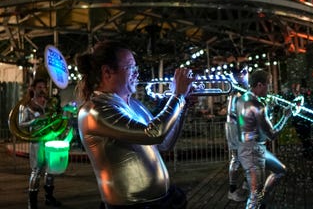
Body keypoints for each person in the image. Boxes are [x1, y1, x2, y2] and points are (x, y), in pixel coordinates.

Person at [75, 40, 194, 209]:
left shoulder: (134, 104)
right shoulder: (95, 111)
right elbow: (154, 133)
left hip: (162, 200)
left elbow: (164, 143)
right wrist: (178, 96)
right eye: (130, 67)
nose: (137, 74)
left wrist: (183, 106)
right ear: (107, 72)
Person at [236, 69, 292, 209]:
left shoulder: (243, 99)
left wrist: (269, 110)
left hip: (250, 148)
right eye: (268, 84)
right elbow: (272, 134)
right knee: (254, 197)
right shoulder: (257, 105)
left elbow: (254, 123)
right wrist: (285, 117)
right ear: (260, 85)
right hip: (253, 151)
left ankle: (262, 199)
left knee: (280, 170)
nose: (270, 88)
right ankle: (260, 200)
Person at [18, 78, 62, 209]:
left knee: (50, 170)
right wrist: (34, 122)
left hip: (50, 140)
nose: (42, 89)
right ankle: (32, 203)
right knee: (36, 171)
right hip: (37, 141)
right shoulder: (26, 106)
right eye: (39, 87)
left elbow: (55, 118)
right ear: (33, 88)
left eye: (44, 87)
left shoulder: (50, 103)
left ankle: (49, 197)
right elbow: (21, 123)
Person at [225, 67, 248, 202]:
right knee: (237, 159)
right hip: (235, 128)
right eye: (242, 74)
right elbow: (234, 113)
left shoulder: (240, 92)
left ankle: (245, 185)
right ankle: (232, 190)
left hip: (239, 127)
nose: (244, 76)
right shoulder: (236, 93)